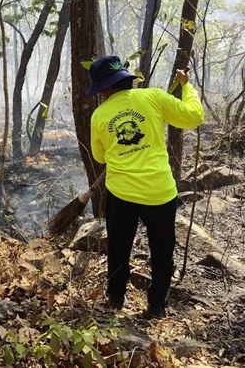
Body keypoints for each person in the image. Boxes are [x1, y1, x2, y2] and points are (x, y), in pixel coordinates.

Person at [87, 55, 204, 319]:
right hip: (160, 193)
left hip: (121, 194)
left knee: (119, 247)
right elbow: (194, 116)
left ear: (104, 89)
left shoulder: (99, 115)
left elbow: (99, 156)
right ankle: (157, 305)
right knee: (162, 251)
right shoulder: (154, 96)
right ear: (125, 79)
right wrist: (187, 86)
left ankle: (116, 296)